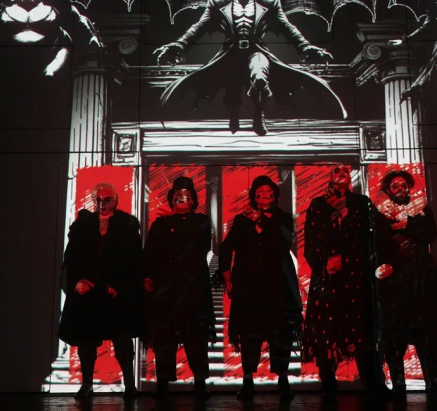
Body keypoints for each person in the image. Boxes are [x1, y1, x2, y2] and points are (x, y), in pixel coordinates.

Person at [155, 0, 345, 136]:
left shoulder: (270, 2)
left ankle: (258, 114)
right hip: (230, 53)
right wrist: (178, 45)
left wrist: (307, 47)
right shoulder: (217, 2)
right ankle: (234, 114)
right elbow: (198, 27)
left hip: (256, 50)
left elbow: (288, 28)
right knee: (232, 87)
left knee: (260, 78)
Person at [302, 165, 388, 396]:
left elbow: (372, 231)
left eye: (346, 171)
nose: (342, 173)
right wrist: (324, 262)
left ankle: (372, 382)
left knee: (361, 330)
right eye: (337, 171)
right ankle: (328, 381)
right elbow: (311, 239)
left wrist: (345, 212)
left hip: (356, 275)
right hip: (327, 277)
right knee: (326, 330)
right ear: (329, 178)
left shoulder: (361, 203)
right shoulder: (317, 204)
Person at [218, 175, 302, 400]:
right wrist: (226, 274)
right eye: (260, 192)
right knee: (249, 334)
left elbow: (285, 239)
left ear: (275, 196)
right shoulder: (241, 220)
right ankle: (247, 381)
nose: (264, 195)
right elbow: (226, 247)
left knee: (280, 335)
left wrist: (261, 219)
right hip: (248, 288)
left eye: (268, 191)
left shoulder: (283, 218)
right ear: (254, 196)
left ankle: (283, 381)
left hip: (278, 287)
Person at [58, 183, 142, 401]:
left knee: (122, 339)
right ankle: (86, 385)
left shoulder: (127, 225)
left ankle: (129, 385)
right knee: (86, 340)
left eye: (107, 200)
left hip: (116, 293)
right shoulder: (82, 226)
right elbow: (71, 259)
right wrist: (77, 282)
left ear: (115, 201)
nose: (102, 204)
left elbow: (134, 261)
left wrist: (120, 286)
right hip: (89, 292)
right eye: (98, 200)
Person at [374, 170, 437, 399]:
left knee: (427, 333)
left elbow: (430, 233)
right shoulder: (379, 212)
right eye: (395, 185)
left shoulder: (421, 208)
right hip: (395, 282)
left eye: (403, 184)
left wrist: (406, 225)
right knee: (395, 335)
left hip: (421, 280)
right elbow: (376, 239)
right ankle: (398, 384)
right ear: (388, 190)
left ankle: (434, 382)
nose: (400, 188)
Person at [142, 177, 216, 398]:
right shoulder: (160, 225)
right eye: (177, 195)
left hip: (194, 289)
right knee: (164, 337)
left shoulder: (202, 222)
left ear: (193, 201)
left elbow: (200, 246)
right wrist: (147, 277)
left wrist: (175, 223)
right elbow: (149, 254)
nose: (182, 198)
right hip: (166, 290)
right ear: (171, 200)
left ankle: (200, 381)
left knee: (197, 337)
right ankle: (163, 382)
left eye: (186, 195)